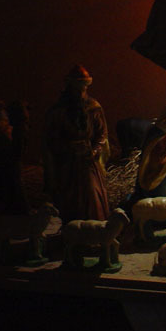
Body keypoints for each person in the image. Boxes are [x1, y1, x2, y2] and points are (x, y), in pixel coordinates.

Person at [44, 65, 110, 223]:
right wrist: (66, 148)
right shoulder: (58, 111)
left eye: (83, 88)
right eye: (77, 88)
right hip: (67, 162)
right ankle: (71, 230)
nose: (80, 92)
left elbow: (102, 133)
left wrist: (94, 150)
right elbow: (51, 138)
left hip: (87, 160)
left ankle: (95, 228)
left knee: (92, 193)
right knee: (69, 197)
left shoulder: (93, 108)